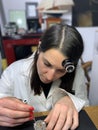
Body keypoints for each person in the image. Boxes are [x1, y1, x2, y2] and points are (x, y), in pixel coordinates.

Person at [0, 23, 89, 130]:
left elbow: (85, 105)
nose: (50, 77)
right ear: (39, 47)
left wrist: (71, 101)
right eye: (47, 64)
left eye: (61, 70)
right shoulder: (12, 72)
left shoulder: (77, 72)